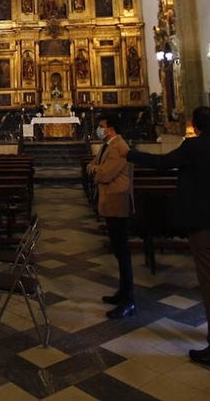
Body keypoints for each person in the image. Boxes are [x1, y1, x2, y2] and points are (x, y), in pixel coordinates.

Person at [127, 106, 210, 368]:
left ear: (195, 124)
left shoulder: (192, 147)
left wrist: (131, 153)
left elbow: (161, 163)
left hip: (204, 225)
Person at [86, 114, 134, 318]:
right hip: (110, 201)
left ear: (111, 128)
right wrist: (95, 168)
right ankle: (122, 292)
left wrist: (95, 169)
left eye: (102, 126)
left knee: (122, 252)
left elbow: (103, 173)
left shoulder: (119, 146)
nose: (100, 129)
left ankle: (129, 300)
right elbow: (92, 165)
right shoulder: (108, 144)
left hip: (117, 202)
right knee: (117, 249)